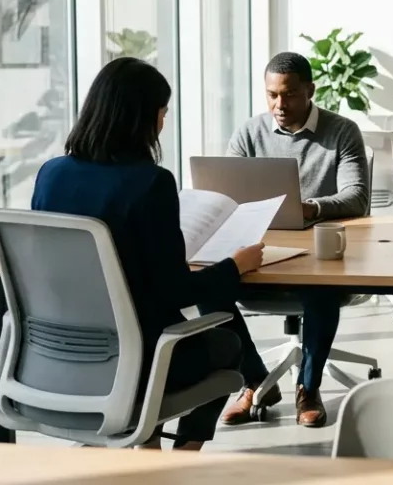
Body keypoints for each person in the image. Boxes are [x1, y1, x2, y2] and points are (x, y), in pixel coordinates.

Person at [31, 58, 266, 451]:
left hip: (54, 358)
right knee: (228, 344)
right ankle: (178, 459)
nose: (163, 122)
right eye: (162, 112)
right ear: (144, 118)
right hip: (137, 362)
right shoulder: (151, 183)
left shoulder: (50, 174)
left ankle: (149, 445)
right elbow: (175, 292)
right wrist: (235, 265)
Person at [214, 51, 371, 428]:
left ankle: (309, 387)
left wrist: (312, 208)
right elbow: (225, 192)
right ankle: (255, 381)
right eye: (271, 95)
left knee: (320, 287)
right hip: (260, 249)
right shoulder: (250, 133)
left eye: (289, 95)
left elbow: (357, 197)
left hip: (317, 250)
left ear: (310, 91)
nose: (279, 105)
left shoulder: (342, 131)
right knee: (206, 290)